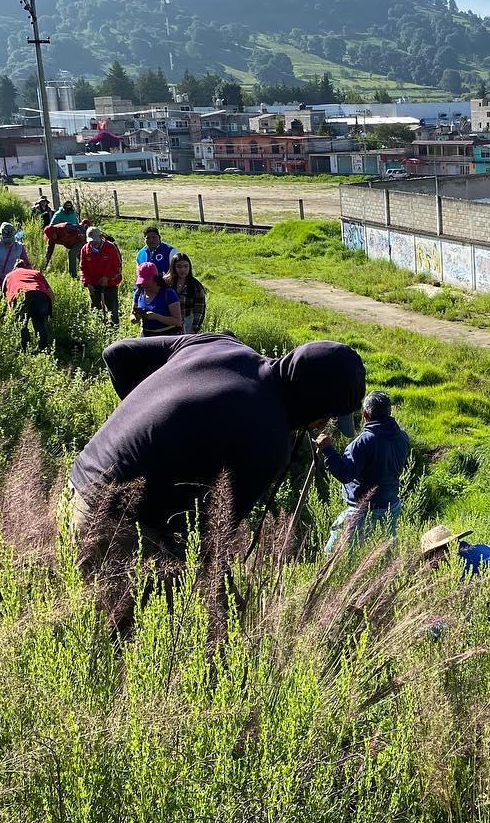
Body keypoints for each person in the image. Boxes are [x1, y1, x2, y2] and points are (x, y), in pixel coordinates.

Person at [67, 337, 365, 622]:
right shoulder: (269, 442)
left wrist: (154, 427)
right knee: (213, 630)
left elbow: (118, 354)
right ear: (312, 406)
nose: (323, 424)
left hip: (74, 489)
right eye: (327, 415)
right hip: (111, 529)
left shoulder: (219, 345)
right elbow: (212, 539)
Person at [316, 390, 410, 554]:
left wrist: (327, 449)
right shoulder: (402, 437)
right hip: (391, 506)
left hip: (364, 510)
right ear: (389, 412)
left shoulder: (363, 442)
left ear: (365, 413)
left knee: (333, 554)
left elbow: (345, 474)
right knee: (383, 557)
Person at [1, 265, 54, 351]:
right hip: (41, 296)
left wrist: (9, 314)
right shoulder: (36, 273)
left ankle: (24, 349)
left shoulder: (9, 275)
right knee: (40, 323)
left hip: (21, 295)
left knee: (21, 325)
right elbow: (51, 293)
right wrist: (50, 311)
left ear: (15, 268)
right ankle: (42, 349)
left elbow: (4, 297)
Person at [79, 226, 122, 323]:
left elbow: (118, 267)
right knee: (95, 309)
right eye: (91, 241)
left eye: (95, 240)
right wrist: (87, 283)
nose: (93, 243)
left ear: (101, 237)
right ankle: (98, 327)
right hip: (93, 284)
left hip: (110, 284)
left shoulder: (111, 247)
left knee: (112, 309)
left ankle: (114, 328)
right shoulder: (85, 249)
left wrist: (107, 277)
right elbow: (83, 268)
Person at [131, 261, 182, 337]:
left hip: (168, 336)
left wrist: (157, 317)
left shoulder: (168, 293)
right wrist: (135, 318)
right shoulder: (139, 293)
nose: (144, 285)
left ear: (156, 279)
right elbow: (132, 313)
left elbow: (178, 321)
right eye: (142, 282)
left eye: (147, 282)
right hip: (146, 335)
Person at [42, 199, 85, 279]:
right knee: (49, 250)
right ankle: (44, 267)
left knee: (76, 253)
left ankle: (82, 270)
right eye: (67, 206)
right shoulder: (59, 214)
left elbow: (76, 224)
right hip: (59, 234)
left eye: (70, 206)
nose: (68, 208)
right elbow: (52, 226)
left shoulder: (74, 214)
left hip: (71, 236)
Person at [167, 252, 206, 334]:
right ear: (173, 267)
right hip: (167, 322)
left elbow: (199, 310)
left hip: (187, 324)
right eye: (179, 266)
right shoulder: (166, 283)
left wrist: (194, 328)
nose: (183, 270)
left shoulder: (196, 286)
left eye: (186, 266)